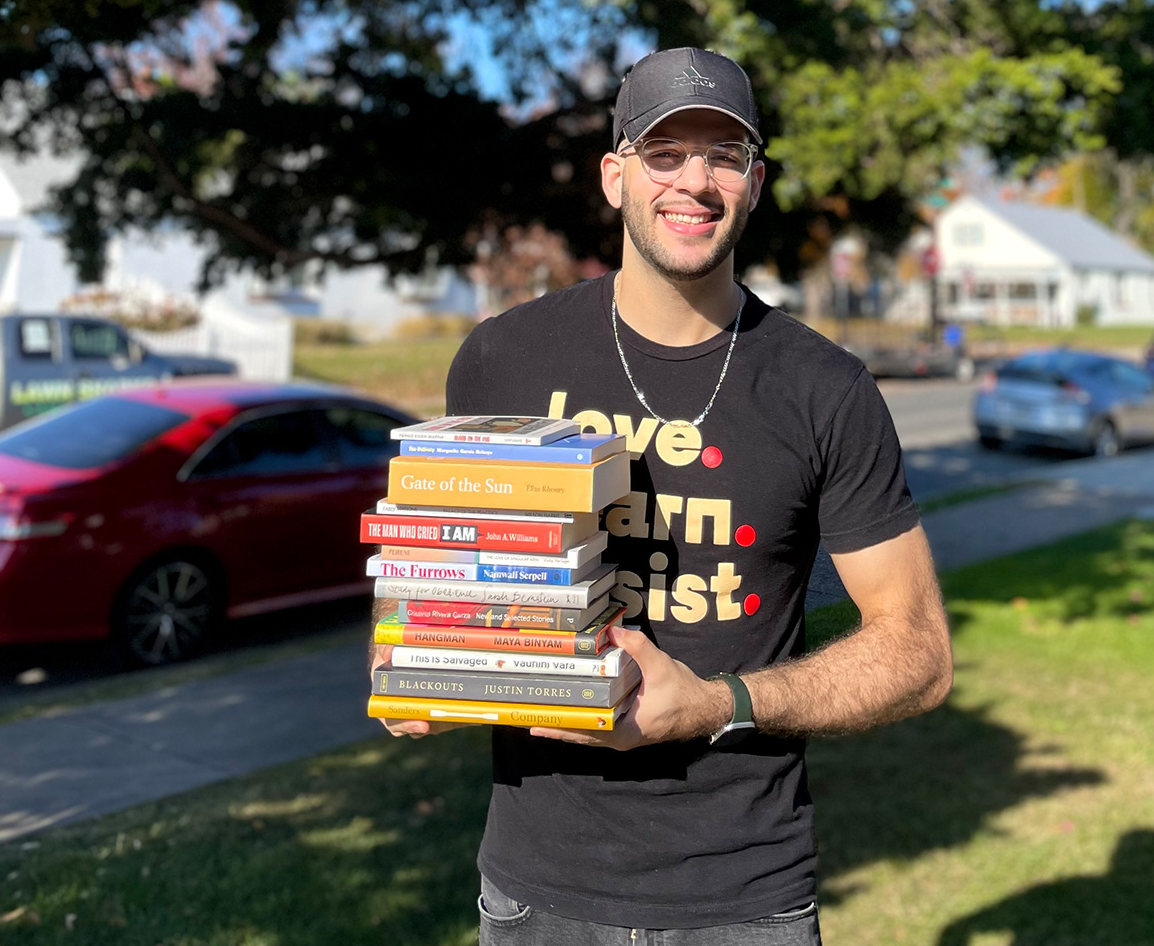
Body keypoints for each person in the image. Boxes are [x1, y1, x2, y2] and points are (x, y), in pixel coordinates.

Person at [377, 46, 954, 944]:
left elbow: (919, 653)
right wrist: (423, 660)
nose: (696, 181)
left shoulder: (824, 388)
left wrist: (722, 704)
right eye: (664, 153)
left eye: (723, 155)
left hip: (743, 897)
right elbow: (460, 577)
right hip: (539, 892)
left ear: (755, 183)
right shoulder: (503, 358)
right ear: (615, 177)